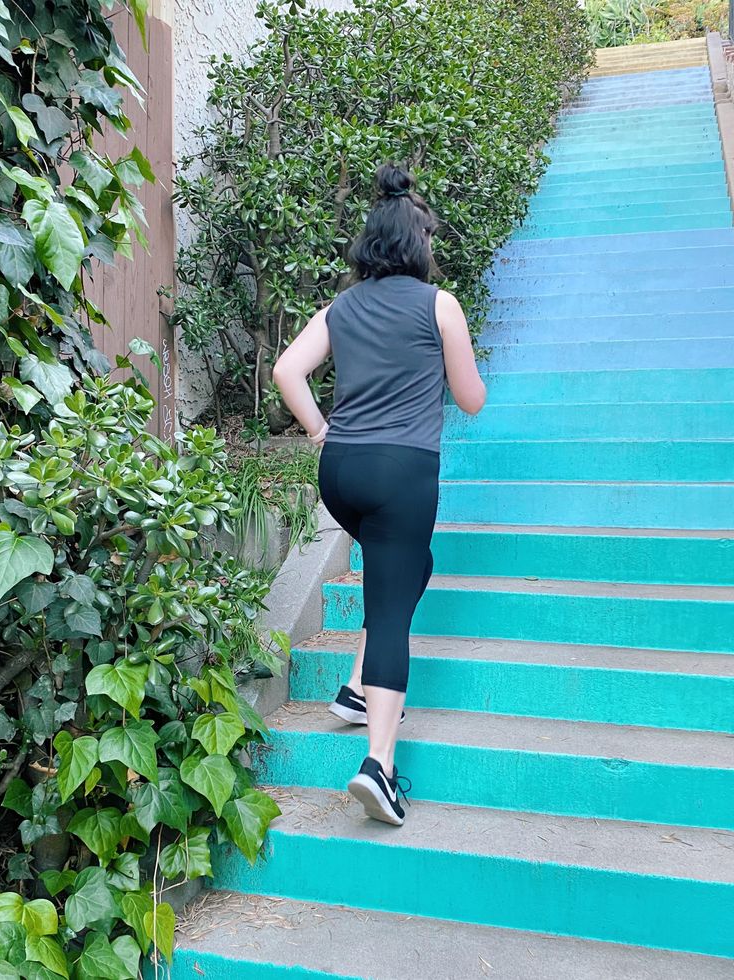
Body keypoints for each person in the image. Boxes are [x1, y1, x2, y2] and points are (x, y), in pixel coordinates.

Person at [272, 162, 486, 826]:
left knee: (406, 570)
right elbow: (471, 400)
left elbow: (287, 370)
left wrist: (318, 428)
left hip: (340, 474)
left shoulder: (341, 307)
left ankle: (356, 691)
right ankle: (379, 768)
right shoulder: (438, 304)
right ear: (419, 246)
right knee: (392, 608)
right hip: (403, 473)